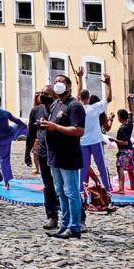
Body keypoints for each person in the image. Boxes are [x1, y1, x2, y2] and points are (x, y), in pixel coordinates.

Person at [39, 74, 85, 239]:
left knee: (71, 192)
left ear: (69, 86)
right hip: (54, 155)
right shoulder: (56, 104)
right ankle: (64, 224)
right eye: (56, 81)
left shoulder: (74, 106)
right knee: (60, 192)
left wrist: (55, 128)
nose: (57, 84)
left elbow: (79, 130)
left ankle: (75, 226)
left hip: (68, 155)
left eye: (61, 82)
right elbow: (54, 125)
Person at [25, 84, 59, 230]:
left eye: (47, 93)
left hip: (59, 153)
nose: (43, 95)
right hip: (43, 154)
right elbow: (31, 133)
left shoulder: (60, 109)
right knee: (48, 186)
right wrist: (27, 152)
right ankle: (52, 216)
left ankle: (76, 217)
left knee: (66, 187)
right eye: (42, 93)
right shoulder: (36, 111)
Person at [75, 67, 113, 191]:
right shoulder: (94, 108)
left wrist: (80, 77)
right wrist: (108, 84)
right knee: (101, 166)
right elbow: (108, 98)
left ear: (80, 98)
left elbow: (77, 94)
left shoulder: (77, 108)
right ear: (89, 97)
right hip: (95, 141)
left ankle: (81, 191)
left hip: (82, 143)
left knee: (83, 168)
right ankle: (107, 190)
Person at [0, 94, 27, 189]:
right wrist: (24, 125)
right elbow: (17, 120)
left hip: (1, 139)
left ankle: (6, 183)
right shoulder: (5, 113)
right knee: (21, 125)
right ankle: (34, 135)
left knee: (4, 160)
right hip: (10, 134)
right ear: (0, 102)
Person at [112, 109, 134, 193]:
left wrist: (115, 140)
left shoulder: (122, 128)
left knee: (120, 168)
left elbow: (124, 142)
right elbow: (130, 114)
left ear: (120, 118)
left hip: (124, 151)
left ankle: (121, 189)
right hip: (130, 150)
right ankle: (132, 186)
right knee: (129, 168)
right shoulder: (130, 124)